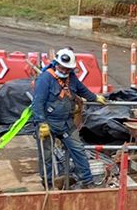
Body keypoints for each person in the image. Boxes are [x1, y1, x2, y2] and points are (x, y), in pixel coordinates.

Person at [31, 48, 100, 188]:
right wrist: (41, 123)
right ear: (56, 64)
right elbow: (37, 103)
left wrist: (95, 98)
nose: (63, 71)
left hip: (66, 123)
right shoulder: (45, 79)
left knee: (78, 150)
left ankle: (87, 182)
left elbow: (82, 90)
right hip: (48, 123)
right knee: (46, 156)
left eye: (67, 69)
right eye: (62, 68)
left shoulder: (71, 78)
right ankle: (48, 184)